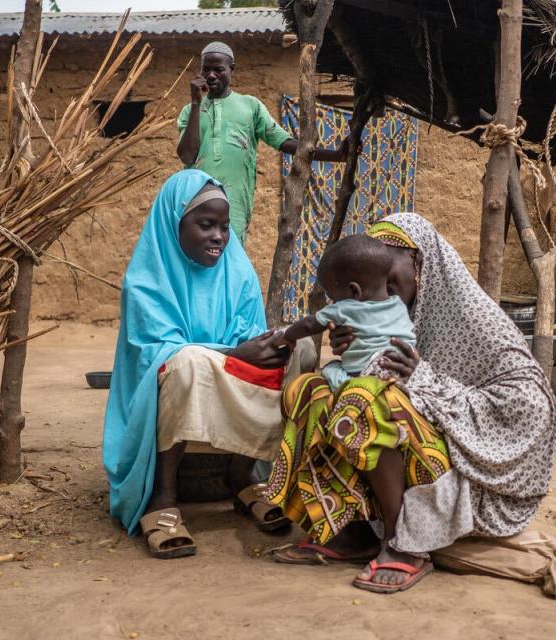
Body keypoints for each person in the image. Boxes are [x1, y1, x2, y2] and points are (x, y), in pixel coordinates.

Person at [266, 213, 556, 594]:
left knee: (367, 400)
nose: (382, 289)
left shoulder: (476, 320)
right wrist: (351, 353)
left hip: (475, 469)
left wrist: (424, 379)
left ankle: (402, 543)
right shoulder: (385, 310)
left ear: (420, 264)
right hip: (414, 441)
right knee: (310, 391)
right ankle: (352, 530)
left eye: (389, 277)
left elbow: (532, 406)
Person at [102, 169, 312, 559]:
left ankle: (243, 475)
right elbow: (157, 353)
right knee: (185, 361)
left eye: (223, 226)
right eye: (205, 225)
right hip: (175, 382)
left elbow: (249, 335)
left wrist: (267, 345)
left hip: (224, 373)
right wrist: (233, 354)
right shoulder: (146, 280)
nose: (218, 236)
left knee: (299, 353)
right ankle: (162, 498)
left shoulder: (237, 270)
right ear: (174, 224)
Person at [177, 41, 347, 244]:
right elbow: (187, 156)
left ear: (232, 70)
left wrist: (335, 155)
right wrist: (196, 103)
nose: (211, 75)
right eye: (206, 69)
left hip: (234, 206)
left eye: (219, 69)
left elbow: (285, 142)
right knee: (195, 259)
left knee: (231, 259)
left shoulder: (250, 106)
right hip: (195, 200)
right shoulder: (189, 111)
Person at [278, 234, 416, 391]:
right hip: (403, 374)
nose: (335, 303)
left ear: (353, 290)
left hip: (366, 375)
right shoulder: (399, 305)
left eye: (333, 297)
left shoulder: (346, 307)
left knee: (330, 369)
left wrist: (287, 336)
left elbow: (309, 325)